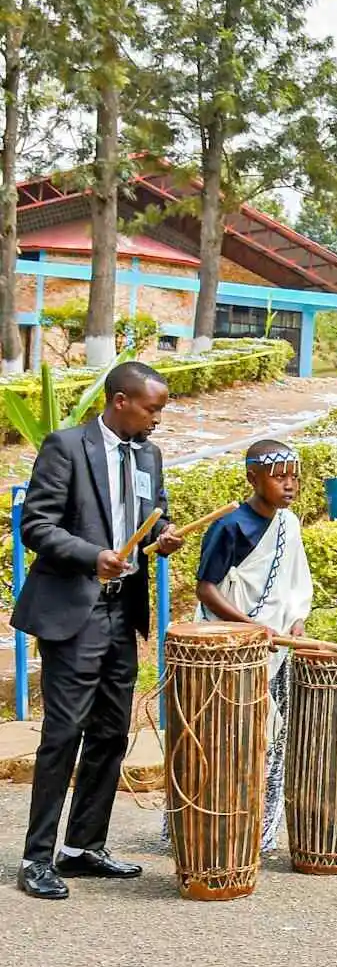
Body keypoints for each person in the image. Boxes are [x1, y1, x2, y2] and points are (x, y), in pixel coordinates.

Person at [13, 361, 185, 900]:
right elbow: (35, 527)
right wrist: (95, 557)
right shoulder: (66, 447)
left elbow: (151, 516)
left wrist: (164, 533)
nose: (158, 418)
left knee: (111, 733)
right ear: (119, 401)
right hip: (74, 612)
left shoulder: (148, 455)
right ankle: (36, 857)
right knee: (63, 735)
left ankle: (82, 847)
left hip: (121, 614)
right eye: (152, 408)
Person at [193, 440, 315, 857]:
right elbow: (206, 588)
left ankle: (261, 830)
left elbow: (295, 585)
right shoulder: (230, 526)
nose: (289, 485)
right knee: (221, 737)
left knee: (271, 735)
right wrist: (247, 626)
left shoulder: (289, 525)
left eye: (294, 476)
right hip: (229, 647)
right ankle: (206, 827)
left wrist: (296, 620)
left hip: (275, 648)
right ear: (253, 478)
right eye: (279, 476)